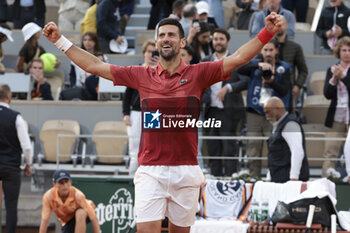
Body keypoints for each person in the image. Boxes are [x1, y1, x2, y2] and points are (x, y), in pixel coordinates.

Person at [43, 13, 283, 233]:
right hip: (151, 172)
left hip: (186, 171)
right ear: (156, 43)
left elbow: (238, 57)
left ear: (181, 43)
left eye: (171, 35)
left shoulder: (199, 73)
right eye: (161, 35)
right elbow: (94, 65)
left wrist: (267, 33)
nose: (166, 39)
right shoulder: (141, 75)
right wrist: (60, 41)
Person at [237, 39, 291, 178]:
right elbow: (239, 69)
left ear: (276, 51)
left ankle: (272, 178)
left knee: (274, 147)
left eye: (271, 50)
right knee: (253, 147)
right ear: (261, 51)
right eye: (265, 50)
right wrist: (258, 66)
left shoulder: (283, 68)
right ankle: (253, 178)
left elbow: (285, 90)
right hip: (254, 112)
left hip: (273, 115)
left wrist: (271, 81)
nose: (268, 53)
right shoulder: (254, 64)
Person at [202, 28, 247, 176]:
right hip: (210, 110)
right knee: (212, 148)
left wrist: (228, 87)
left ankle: (230, 181)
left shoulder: (236, 59)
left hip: (229, 111)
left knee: (229, 149)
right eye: (215, 39)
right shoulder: (205, 61)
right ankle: (214, 180)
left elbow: (245, 81)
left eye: (221, 39)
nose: (218, 42)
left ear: (227, 41)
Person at [122, 40, 159, 175]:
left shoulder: (162, 72)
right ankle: (132, 177)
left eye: (154, 52)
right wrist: (125, 113)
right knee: (135, 147)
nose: (151, 55)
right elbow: (127, 95)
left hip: (153, 113)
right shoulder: (136, 71)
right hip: (136, 112)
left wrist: (157, 70)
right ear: (144, 53)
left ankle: (150, 177)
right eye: (149, 51)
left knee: (152, 146)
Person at [0, 84, 32, 233]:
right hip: (10, 166)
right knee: (11, 205)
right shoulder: (15, 117)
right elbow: (26, 146)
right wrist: (28, 164)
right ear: (9, 96)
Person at [264, 96, 309, 183]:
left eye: (268, 112)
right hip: (278, 181)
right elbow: (274, 157)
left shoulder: (290, 125)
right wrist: (268, 178)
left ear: (277, 109)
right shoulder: (277, 126)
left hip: (287, 182)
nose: (266, 116)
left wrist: (293, 179)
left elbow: (298, 152)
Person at [322, 36, 350, 177]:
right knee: (330, 151)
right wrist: (334, 78)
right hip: (336, 115)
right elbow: (327, 94)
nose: (346, 53)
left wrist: (343, 77)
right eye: (343, 50)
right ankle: (326, 184)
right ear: (338, 52)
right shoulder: (331, 69)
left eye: (349, 50)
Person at [274, 16, 308, 109]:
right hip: (270, 86)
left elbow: (303, 71)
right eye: (276, 24)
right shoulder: (267, 47)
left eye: (281, 24)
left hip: (289, 88)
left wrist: (297, 85)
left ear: (287, 26)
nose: (279, 26)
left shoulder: (295, 47)